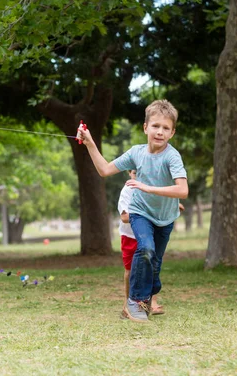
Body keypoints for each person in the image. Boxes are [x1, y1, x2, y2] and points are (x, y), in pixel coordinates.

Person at [80, 100, 188, 323]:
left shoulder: (172, 156)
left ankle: (147, 295)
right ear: (145, 127)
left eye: (166, 128)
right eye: (156, 126)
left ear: (172, 132)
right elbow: (104, 169)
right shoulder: (136, 153)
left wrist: (149, 188)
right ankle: (134, 302)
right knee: (146, 249)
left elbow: (183, 190)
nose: (160, 132)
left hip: (165, 218)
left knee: (155, 263)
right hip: (140, 212)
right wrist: (90, 142)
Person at [117, 170, 163, 317]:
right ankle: (128, 302)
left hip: (149, 234)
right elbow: (124, 217)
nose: (138, 176)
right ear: (129, 173)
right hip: (130, 235)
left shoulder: (149, 187)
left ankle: (152, 302)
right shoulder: (127, 191)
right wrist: (144, 217)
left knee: (151, 266)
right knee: (130, 270)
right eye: (135, 173)